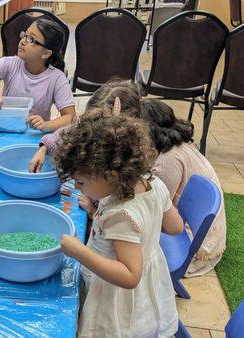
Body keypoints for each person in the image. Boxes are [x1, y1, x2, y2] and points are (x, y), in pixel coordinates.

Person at [54, 114, 183, 337]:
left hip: (115, 295)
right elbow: (175, 227)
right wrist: (95, 213)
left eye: (82, 182)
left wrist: (78, 251)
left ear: (111, 176)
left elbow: (129, 276)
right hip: (149, 280)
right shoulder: (153, 183)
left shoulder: (120, 215)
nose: (77, 185)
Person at [141, 98, 226, 276]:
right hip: (194, 229)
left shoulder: (167, 160)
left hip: (194, 246)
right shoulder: (174, 143)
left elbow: (154, 209)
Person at [0, 19, 75, 133]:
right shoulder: (10, 64)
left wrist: (45, 125)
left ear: (46, 53)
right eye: (24, 35)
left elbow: (70, 117)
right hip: (6, 128)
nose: (22, 41)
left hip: (33, 135)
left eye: (31, 39)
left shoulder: (57, 78)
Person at [28, 79, 142, 173]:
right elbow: (66, 134)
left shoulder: (135, 156)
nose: (92, 130)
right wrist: (44, 148)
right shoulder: (88, 128)